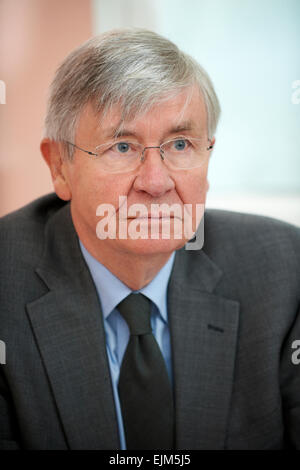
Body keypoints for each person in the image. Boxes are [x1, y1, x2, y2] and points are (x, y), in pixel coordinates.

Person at [0, 28, 299, 451]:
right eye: (122, 147)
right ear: (60, 167)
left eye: (180, 143)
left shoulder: (284, 270)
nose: (156, 183)